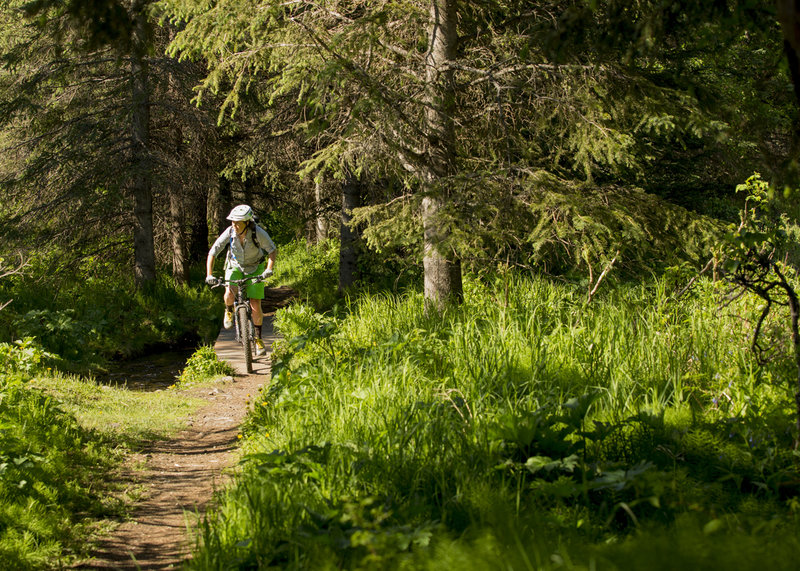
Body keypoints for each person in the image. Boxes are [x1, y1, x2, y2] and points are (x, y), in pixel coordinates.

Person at [206, 205, 277, 356]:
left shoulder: (258, 232)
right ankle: (229, 310)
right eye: (233, 222)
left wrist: (268, 269)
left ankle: (258, 339)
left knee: (255, 304)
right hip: (234, 266)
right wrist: (209, 274)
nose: (235, 225)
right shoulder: (230, 232)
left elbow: (271, 250)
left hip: (255, 267)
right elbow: (213, 251)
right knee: (229, 292)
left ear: (247, 223)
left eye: (238, 222)